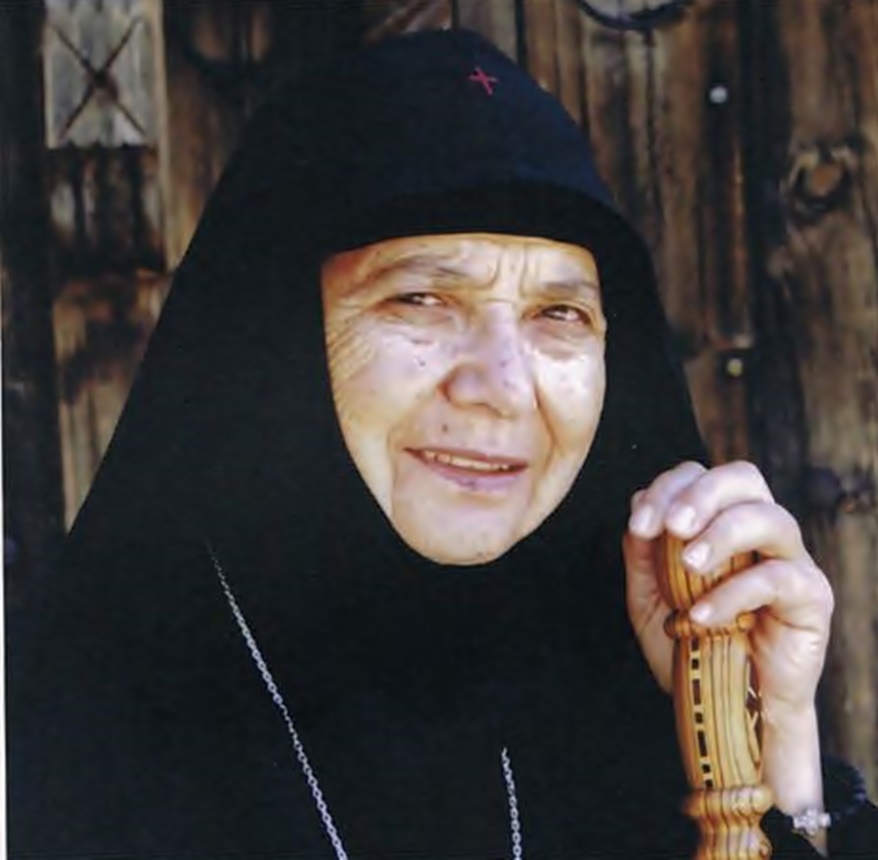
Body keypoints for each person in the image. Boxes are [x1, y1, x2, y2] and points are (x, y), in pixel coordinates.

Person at [9, 28, 876, 859]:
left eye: (559, 314)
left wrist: (765, 757)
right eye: (420, 300)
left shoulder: (644, 696)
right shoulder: (70, 749)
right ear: (279, 339)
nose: (502, 387)